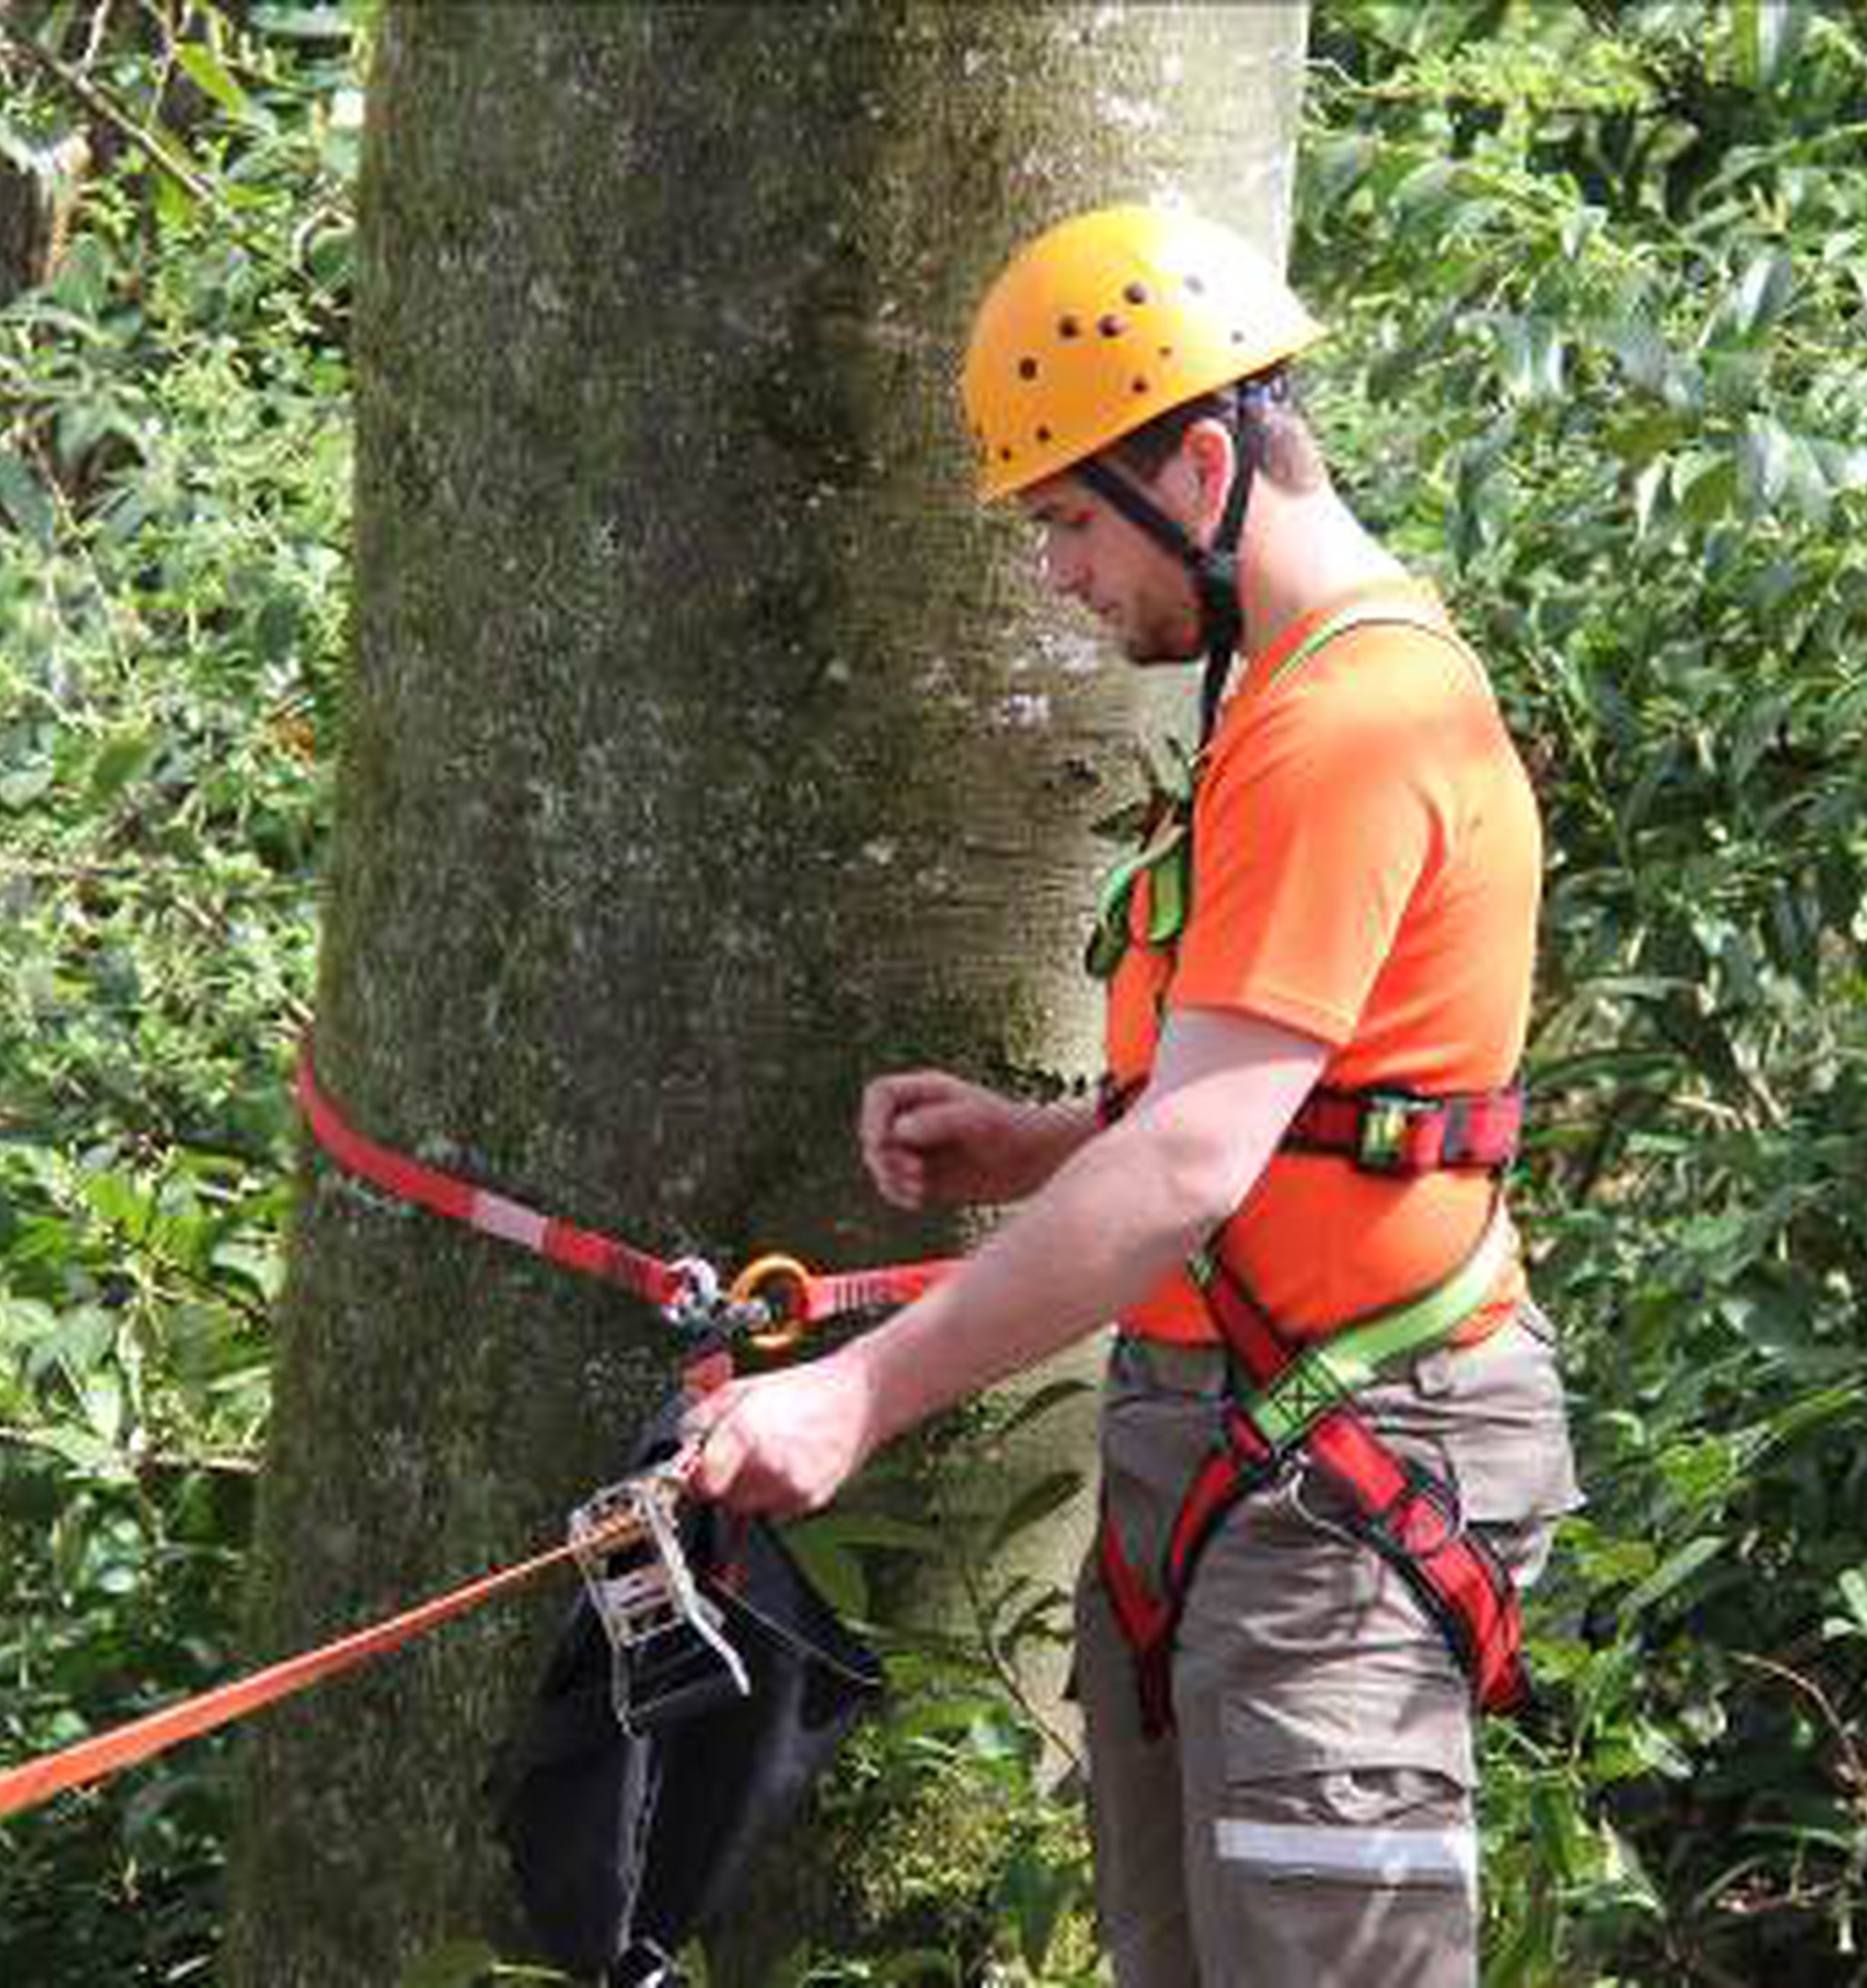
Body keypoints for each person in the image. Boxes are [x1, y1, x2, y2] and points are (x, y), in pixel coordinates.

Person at [684, 203, 1578, 1986]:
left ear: (1201, 467)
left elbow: (1191, 1164)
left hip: (1342, 1475)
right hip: (1228, 1454)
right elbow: (1273, 1097)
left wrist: (858, 1393)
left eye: (1073, 522)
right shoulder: (1283, 708)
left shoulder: (1351, 725)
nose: (1058, 575)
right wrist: (1037, 1148)